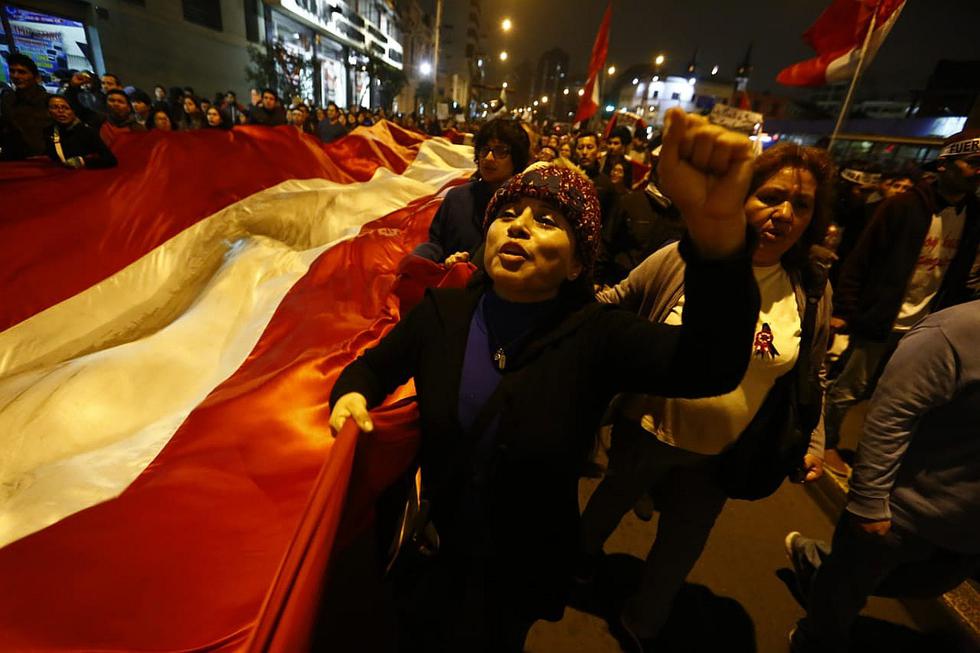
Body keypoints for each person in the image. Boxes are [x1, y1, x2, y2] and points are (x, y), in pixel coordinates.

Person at [328, 108, 761, 651]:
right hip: (435, 556)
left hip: (519, 576)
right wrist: (350, 396)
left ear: (578, 264)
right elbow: (371, 368)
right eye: (508, 213)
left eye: (548, 220)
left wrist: (717, 235)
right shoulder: (441, 314)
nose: (520, 225)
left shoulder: (598, 336)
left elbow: (712, 364)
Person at [580, 142, 836, 650]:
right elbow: (613, 302)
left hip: (726, 454)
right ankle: (570, 569)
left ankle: (642, 623)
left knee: (682, 545)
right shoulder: (683, 259)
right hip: (647, 431)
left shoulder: (810, 290)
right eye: (771, 197)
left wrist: (815, 440)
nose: (784, 214)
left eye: (801, 205)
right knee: (609, 504)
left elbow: (814, 371)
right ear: (741, 197)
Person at [785, 299, 980, 653]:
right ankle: (814, 637)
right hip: (903, 507)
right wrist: (869, 500)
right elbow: (892, 413)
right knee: (844, 593)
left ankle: (818, 563)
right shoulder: (957, 331)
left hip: (964, 524)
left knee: (929, 582)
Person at [823, 129, 980, 476]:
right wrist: (845, 310)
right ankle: (826, 442)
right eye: (973, 162)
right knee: (850, 389)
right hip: (882, 319)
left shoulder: (974, 215)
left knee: (901, 397)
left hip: (929, 327)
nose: (978, 171)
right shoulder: (902, 206)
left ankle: (874, 459)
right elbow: (861, 260)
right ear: (945, 165)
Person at [412, 118, 531, 265]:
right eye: (485, 150)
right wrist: (418, 260)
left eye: (500, 151)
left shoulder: (526, 206)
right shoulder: (457, 198)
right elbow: (436, 244)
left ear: (517, 158)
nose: (488, 158)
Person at [594, 167, 684, 286]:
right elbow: (606, 242)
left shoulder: (681, 215)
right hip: (619, 283)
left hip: (655, 288)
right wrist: (597, 280)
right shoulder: (629, 202)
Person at [0, 52, 51, 160]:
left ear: (36, 77)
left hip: (45, 159)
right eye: (12, 71)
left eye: (22, 72)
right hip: (16, 160)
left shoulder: (48, 101)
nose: (16, 76)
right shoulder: (7, 100)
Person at [43, 95, 116, 169]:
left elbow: (110, 159)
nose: (61, 111)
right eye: (55, 107)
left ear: (73, 112)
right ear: (48, 112)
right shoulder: (48, 131)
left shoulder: (86, 131)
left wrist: (83, 161)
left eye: (66, 108)